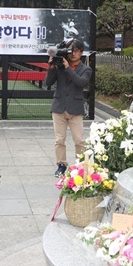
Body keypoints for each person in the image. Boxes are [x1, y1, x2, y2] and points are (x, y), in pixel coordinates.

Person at [45, 38, 92, 177]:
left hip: (75, 108)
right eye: (70, 50)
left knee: (79, 140)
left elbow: (80, 82)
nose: (72, 54)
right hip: (59, 106)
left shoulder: (86, 69)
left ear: (81, 52)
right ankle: (61, 165)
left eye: (76, 51)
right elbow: (48, 82)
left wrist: (67, 68)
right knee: (59, 139)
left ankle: (81, 166)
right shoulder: (59, 64)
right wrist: (52, 66)